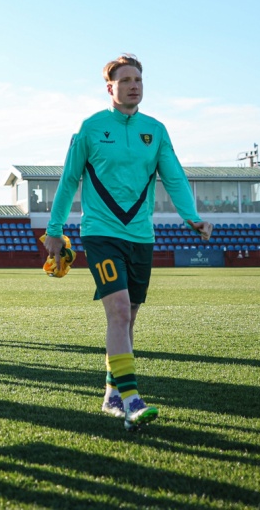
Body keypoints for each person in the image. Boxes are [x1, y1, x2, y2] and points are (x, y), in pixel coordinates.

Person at [43, 54, 211, 430]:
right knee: (118, 311)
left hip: (140, 236)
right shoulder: (90, 128)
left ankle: (111, 394)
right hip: (101, 233)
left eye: (138, 79)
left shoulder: (156, 130)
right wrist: (54, 229)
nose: (134, 85)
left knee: (129, 316)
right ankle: (133, 400)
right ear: (110, 88)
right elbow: (69, 179)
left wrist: (192, 216)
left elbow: (174, 176)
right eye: (125, 80)